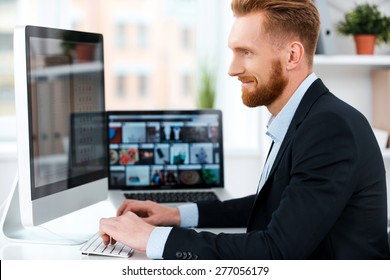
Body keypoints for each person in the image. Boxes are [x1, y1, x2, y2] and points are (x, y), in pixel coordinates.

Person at [99, 0, 390, 259]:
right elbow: (277, 203)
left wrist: (152, 239)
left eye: (246, 52)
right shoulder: (307, 117)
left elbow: (276, 250)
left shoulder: (329, 128)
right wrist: (176, 215)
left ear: (292, 56)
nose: (232, 68)